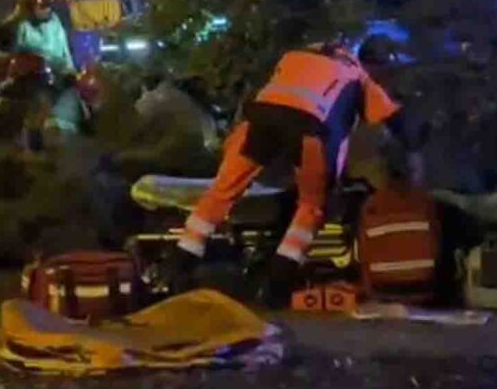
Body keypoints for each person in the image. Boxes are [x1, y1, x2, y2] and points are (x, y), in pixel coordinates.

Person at [167, 42, 426, 307]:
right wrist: (415, 155)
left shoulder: (296, 56)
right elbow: (395, 120)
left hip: (258, 120)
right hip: (310, 129)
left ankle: (177, 270)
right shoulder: (357, 76)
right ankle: (277, 286)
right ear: (376, 66)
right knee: (313, 206)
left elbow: (269, 99)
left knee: (222, 191)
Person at [0, 0, 84, 134]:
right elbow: (8, 54)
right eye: (41, 1)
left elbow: (65, 55)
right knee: (40, 96)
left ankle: (61, 127)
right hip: (30, 80)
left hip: (57, 78)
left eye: (49, 2)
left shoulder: (55, 22)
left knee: (74, 95)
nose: (46, 6)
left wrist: (71, 73)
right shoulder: (21, 24)